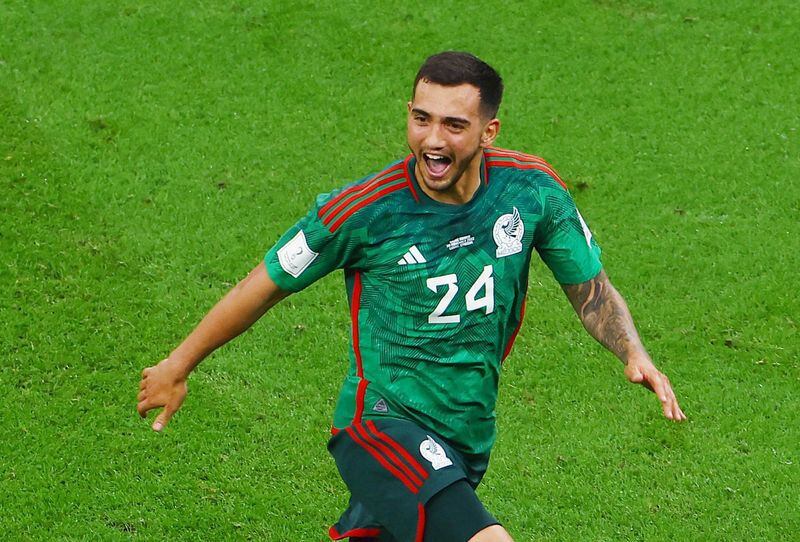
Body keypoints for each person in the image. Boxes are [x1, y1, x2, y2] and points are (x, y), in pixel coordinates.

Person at [137, 51, 686, 542]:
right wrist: (178, 364)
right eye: (421, 119)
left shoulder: (532, 191)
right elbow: (261, 287)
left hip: (466, 436)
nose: (432, 140)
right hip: (380, 424)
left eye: (453, 124)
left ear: (488, 131)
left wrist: (633, 352)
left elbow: (590, 287)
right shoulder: (361, 212)